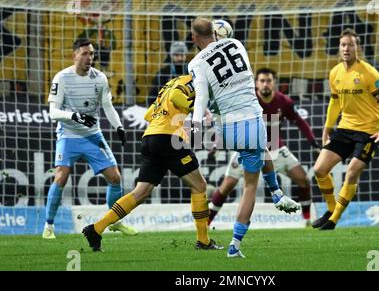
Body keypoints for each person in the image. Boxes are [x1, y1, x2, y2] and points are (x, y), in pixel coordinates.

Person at [188, 17, 299, 258]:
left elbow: (202, 96)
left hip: (226, 127)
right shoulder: (237, 44)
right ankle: (235, 246)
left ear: (194, 38)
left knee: (261, 149)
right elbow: (243, 77)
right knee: (250, 185)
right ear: (217, 33)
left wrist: (196, 125)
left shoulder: (196, 63)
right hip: (250, 118)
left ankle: (277, 194)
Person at [82, 75, 223, 252]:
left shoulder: (171, 82)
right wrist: (196, 109)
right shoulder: (192, 81)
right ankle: (203, 241)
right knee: (199, 186)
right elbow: (176, 97)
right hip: (169, 139)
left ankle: (96, 229)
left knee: (140, 192)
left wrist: (176, 117)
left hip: (150, 137)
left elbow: (150, 114)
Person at [42, 38, 137, 239]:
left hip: (93, 135)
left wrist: (118, 126)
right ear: (74, 55)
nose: (89, 58)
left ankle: (115, 221)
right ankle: (48, 227)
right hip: (68, 135)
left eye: (92, 54)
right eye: (85, 53)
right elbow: (53, 112)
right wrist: (74, 116)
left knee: (115, 177)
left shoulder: (100, 78)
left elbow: (108, 106)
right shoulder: (62, 78)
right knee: (60, 177)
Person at [208, 67, 321, 226]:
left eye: (268, 81)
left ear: (274, 83)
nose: (265, 84)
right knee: (226, 186)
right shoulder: (248, 100)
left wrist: (313, 142)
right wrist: (216, 142)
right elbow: (229, 120)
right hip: (249, 150)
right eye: (262, 81)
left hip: (275, 150)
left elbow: (300, 122)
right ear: (256, 84)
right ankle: (206, 223)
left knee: (303, 180)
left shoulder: (284, 102)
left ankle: (307, 220)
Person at [312, 28, 379, 230]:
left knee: (351, 172)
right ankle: (331, 209)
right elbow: (335, 102)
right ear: (339, 48)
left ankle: (333, 220)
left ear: (358, 48)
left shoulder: (369, 73)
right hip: (345, 128)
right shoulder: (335, 73)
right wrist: (327, 127)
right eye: (343, 45)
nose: (346, 48)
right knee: (319, 170)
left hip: (368, 131)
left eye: (351, 45)